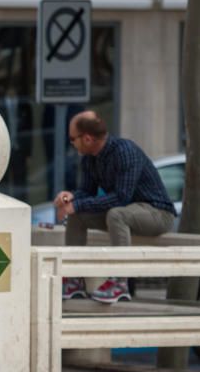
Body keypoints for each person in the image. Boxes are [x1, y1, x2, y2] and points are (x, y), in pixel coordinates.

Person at [54, 110, 177, 304]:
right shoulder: (89, 159)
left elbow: (121, 198)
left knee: (116, 214)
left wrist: (78, 204)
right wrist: (71, 198)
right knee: (79, 216)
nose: (71, 143)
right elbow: (87, 191)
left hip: (157, 213)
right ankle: (73, 280)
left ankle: (120, 282)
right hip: (127, 213)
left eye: (72, 139)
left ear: (86, 138)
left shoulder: (125, 151)